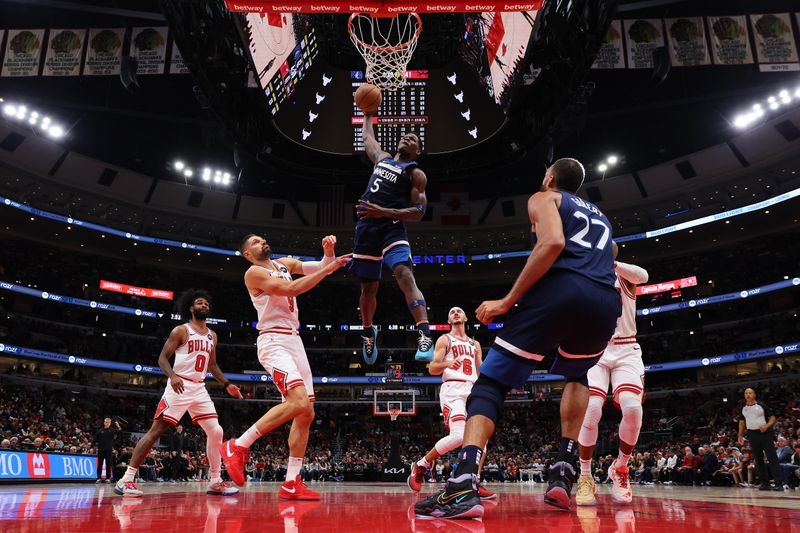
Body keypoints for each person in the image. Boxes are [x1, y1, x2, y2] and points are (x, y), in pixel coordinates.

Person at [415, 158, 621, 518]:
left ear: (550, 177)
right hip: (605, 300)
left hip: (562, 291)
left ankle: (462, 485)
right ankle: (563, 470)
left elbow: (554, 241)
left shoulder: (545, 197)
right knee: (578, 375)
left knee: (489, 384)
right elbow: (612, 252)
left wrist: (507, 301)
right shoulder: (600, 216)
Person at [220, 234, 350, 500]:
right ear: (247, 253)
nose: (262, 241)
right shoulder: (253, 273)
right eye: (255, 242)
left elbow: (317, 266)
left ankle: (292, 481)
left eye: (262, 238)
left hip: (295, 340)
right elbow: (291, 290)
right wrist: (328, 269)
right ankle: (238, 445)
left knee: (306, 413)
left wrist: (328, 253)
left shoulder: (283, 264)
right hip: (273, 340)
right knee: (299, 402)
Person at [114, 290, 243, 497]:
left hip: (199, 388)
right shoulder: (181, 331)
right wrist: (173, 376)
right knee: (155, 431)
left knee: (216, 431)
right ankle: (126, 480)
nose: (204, 305)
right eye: (199, 303)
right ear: (191, 308)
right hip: (179, 385)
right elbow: (162, 359)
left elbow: (213, 365)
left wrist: (227, 384)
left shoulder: (213, 335)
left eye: (206, 304)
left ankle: (216, 480)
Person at [353, 113, 432, 363]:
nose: (407, 137)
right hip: (366, 229)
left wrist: (383, 212)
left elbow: (419, 212)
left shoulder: (415, 174)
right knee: (368, 288)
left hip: (392, 227)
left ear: (417, 151)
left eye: (413, 139)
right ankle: (368, 332)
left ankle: (425, 334)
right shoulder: (382, 159)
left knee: (405, 274)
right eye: (405, 135)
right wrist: (367, 114)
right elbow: (367, 138)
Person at [575, 245, 648, 504]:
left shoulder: (623, 274)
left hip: (627, 348)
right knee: (592, 408)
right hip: (595, 347)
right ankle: (585, 476)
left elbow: (644, 276)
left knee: (633, 409)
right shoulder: (582, 276)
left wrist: (612, 264)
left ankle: (621, 467)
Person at [406, 307, 494, 500]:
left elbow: (481, 371)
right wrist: (447, 364)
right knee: (459, 436)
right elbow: (432, 368)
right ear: (448, 319)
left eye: (459, 311)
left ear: (465, 317)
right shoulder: (445, 339)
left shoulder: (475, 344)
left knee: (482, 439)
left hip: (472, 389)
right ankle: (422, 464)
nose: (455, 312)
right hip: (453, 389)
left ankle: (474, 482)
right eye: (452, 311)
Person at [738, 387, 783, 491]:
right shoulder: (744, 409)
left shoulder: (762, 406)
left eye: (750, 393)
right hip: (752, 434)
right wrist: (740, 435)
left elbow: (772, 418)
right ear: (744, 395)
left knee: (772, 458)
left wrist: (767, 426)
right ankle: (765, 483)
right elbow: (741, 423)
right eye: (746, 393)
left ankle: (779, 483)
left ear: (754, 395)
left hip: (765, 434)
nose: (748, 395)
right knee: (758, 460)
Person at [94, 417, 121, 484]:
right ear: (104, 423)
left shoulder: (112, 430)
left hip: (108, 450)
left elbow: (120, 433)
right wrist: (92, 446)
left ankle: (108, 478)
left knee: (108, 464)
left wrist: (118, 426)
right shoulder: (100, 431)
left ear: (110, 423)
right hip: (101, 450)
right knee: (100, 464)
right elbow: (95, 439)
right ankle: (99, 478)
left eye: (108, 422)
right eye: (106, 422)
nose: (107, 423)